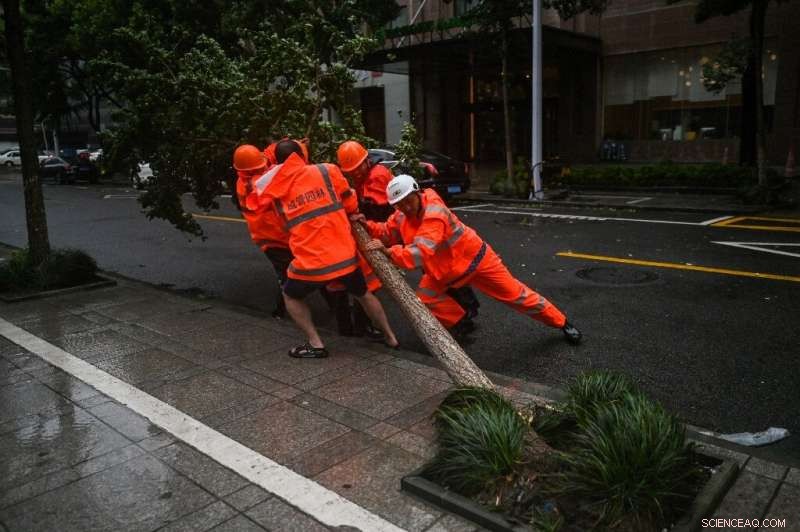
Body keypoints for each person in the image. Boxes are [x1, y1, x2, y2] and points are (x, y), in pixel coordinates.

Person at [358, 174, 582, 345]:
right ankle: (461, 322)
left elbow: (420, 252)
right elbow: (387, 230)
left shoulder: (434, 212)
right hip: (446, 272)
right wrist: (365, 225)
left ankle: (561, 322)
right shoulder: (401, 215)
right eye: (399, 204)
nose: (405, 207)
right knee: (424, 300)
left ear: (417, 192)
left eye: (408, 201)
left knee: (517, 296)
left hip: (477, 262)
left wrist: (389, 252)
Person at [258, 139, 399, 358]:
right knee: (363, 294)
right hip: (344, 256)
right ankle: (390, 337)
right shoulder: (327, 170)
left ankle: (315, 344)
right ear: (302, 156)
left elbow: (284, 225)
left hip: (310, 264)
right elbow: (349, 200)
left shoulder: (274, 192)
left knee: (290, 295)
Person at [336, 140, 480, 330]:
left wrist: (369, 221)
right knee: (435, 271)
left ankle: (465, 311)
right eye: (351, 171)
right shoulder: (364, 177)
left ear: (366, 160)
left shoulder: (377, 176)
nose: (355, 173)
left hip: (403, 227)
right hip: (400, 225)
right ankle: (463, 311)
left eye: (357, 168)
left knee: (439, 271)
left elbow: (380, 208)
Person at [232, 144, 292, 318]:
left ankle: (330, 303)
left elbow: (270, 154)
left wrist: (293, 142)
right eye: (260, 166)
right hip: (275, 240)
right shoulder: (257, 184)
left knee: (297, 272)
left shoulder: (242, 178)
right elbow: (281, 170)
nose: (265, 166)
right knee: (288, 277)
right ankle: (280, 313)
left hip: (273, 237)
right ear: (251, 171)